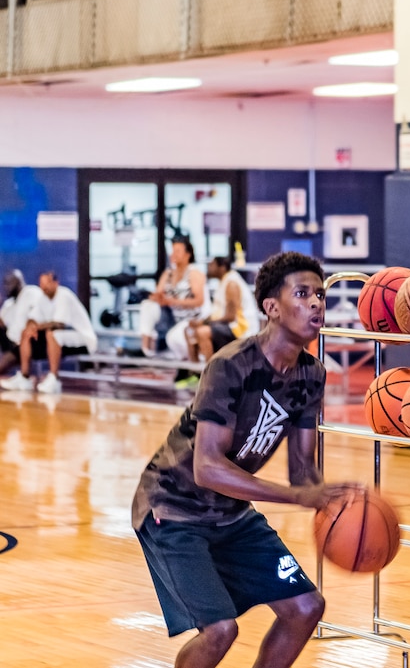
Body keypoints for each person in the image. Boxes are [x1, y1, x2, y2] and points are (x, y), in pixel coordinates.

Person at [131, 251, 362, 668]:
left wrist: (332, 500)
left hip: (230, 514)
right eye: (303, 293)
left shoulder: (311, 374)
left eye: (320, 295)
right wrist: (296, 497)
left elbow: (303, 469)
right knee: (220, 630)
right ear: (271, 308)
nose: (316, 304)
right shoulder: (230, 366)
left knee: (306, 608)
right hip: (173, 510)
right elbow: (208, 468)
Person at [0, 270, 98, 394]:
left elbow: (59, 324)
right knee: (26, 333)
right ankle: (25, 378)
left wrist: (37, 327)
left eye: (46, 284)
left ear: (55, 283)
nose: (44, 287)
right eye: (41, 284)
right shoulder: (43, 298)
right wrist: (31, 327)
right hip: (59, 339)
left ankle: (54, 379)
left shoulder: (64, 295)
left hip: (83, 339)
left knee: (52, 334)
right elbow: (33, 318)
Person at [138, 235, 207, 359]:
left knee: (173, 337)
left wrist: (173, 301)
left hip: (189, 318)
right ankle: (145, 348)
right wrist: (156, 297)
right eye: (173, 251)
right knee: (147, 305)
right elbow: (159, 294)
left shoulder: (194, 273)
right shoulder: (168, 273)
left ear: (188, 254)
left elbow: (199, 301)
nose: (173, 254)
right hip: (170, 316)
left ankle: (190, 360)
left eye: (177, 251)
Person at [185, 256, 261, 365]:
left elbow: (231, 317)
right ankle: (195, 372)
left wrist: (204, 323)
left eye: (212, 265)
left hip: (241, 330)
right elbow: (217, 313)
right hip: (230, 326)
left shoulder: (232, 284)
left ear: (222, 267)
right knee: (189, 330)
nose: (208, 267)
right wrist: (200, 322)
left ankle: (211, 373)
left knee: (202, 332)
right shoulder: (223, 281)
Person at [0, 269, 45, 376]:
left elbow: (38, 317)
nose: (6, 287)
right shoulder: (9, 303)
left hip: (31, 340)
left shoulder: (32, 293)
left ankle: (24, 377)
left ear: (18, 282)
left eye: (9, 283)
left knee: (21, 344)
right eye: (5, 284)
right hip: (11, 342)